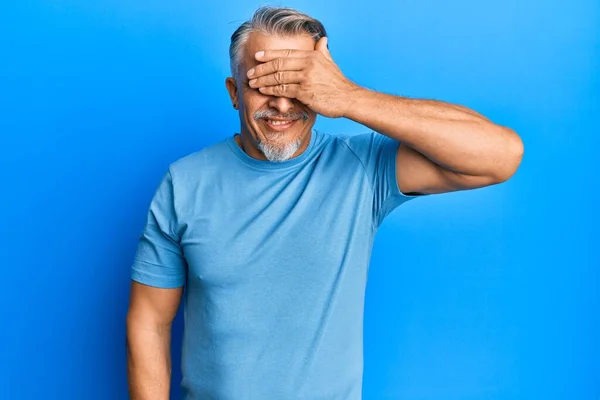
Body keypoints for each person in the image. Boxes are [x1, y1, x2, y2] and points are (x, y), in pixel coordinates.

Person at [125, 6, 523, 400]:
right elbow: (150, 321)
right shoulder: (185, 182)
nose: (282, 105)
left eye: (297, 85)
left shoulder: (362, 169)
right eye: (264, 84)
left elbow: (500, 156)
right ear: (235, 93)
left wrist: (349, 97)